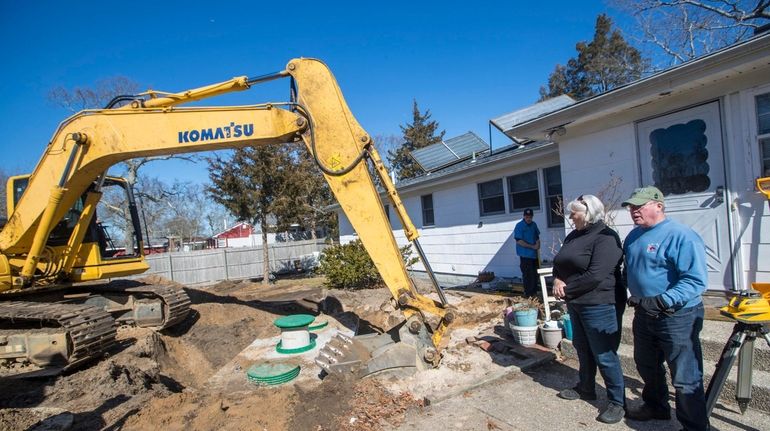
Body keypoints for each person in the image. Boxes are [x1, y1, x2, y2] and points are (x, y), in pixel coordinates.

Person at [622, 186, 709, 431]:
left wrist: (662, 300)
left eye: (639, 206)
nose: (634, 211)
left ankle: (693, 426)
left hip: (677, 315)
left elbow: (695, 280)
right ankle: (657, 407)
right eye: (631, 207)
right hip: (644, 312)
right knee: (645, 363)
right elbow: (630, 269)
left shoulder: (681, 236)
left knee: (685, 375)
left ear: (658, 205)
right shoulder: (633, 236)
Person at [552, 195, 626, 424]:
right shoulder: (574, 236)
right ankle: (586, 387)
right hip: (576, 302)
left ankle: (617, 402)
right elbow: (560, 263)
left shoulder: (606, 237)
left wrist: (567, 290)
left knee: (604, 354)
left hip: (600, 303)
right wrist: (556, 280)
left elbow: (596, 275)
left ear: (589, 214)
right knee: (582, 348)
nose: (570, 216)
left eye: (575, 212)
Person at [514, 208, 540, 297]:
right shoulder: (519, 225)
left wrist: (538, 244)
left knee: (535, 275)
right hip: (525, 255)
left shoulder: (534, 225)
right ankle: (528, 294)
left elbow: (537, 237)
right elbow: (519, 241)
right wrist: (532, 246)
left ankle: (534, 293)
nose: (528, 218)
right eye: (527, 216)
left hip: (534, 255)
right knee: (528, 275)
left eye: (530, 217)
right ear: (524, 216)